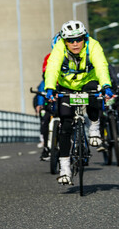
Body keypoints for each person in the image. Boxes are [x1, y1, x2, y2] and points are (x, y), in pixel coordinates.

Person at [44, 20, 115, 185]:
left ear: (85, 38)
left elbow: (101, 65)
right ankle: (65, 169)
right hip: (67, 86)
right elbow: (52, 67)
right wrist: (50, 88)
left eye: (79, 39)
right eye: (70, 40)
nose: (75, 43)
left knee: (93, 96)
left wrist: (106, 85)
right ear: (64, 40)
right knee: (65, 124)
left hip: (88, 81)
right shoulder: (59, 48)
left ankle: (94, 127)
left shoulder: (93, 46)